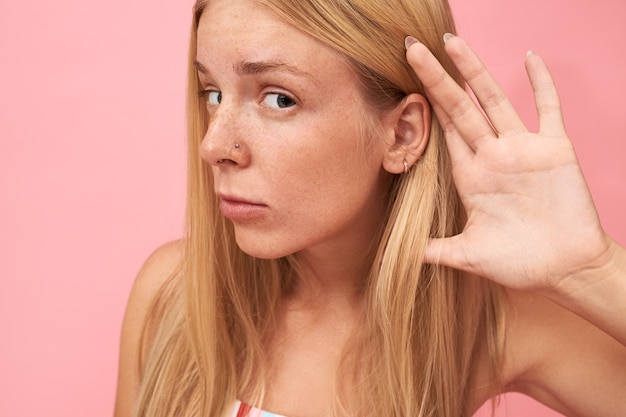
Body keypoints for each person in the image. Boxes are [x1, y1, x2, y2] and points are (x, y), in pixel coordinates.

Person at [114, 0, 626, 416]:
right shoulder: (174, 297)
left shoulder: (488, 322)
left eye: (279, 99)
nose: (215, 146)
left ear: (401, 133)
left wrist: (595, 270)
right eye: (213, 93)